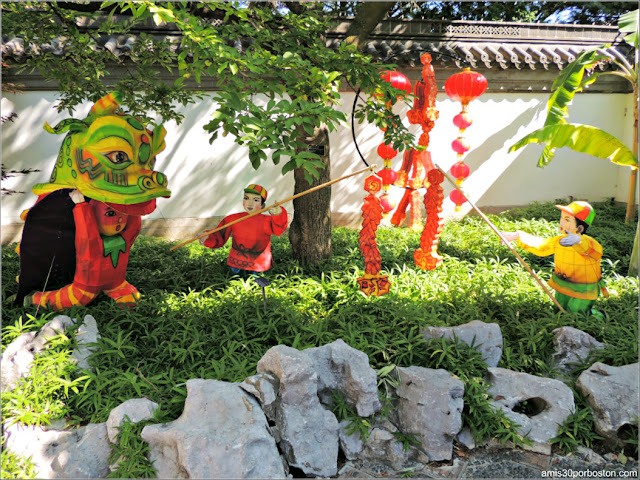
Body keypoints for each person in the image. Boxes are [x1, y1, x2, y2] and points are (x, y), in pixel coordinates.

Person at [25, 189, 144, 310]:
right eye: (110, 214)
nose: (119, 220)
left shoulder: (123, 240)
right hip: (86, 288)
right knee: (73, 299)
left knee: (131, 297)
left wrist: (134, 203)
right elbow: (87, 234)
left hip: (117, 283)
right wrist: (81, 206)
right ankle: (35, 299)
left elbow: (134, 227)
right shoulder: (94, 243)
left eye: (122, 214)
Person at [501, 201, 608, 315]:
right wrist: (517, 235)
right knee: (559, 310)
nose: (561, 223)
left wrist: (578, 241)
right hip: (563, 283)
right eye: (561, 218)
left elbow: (595, 252)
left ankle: (600, 316)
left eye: (567, 220)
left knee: (577, 313)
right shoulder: (559, 240)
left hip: (584, 288)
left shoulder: (588, 242)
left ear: (580, 228)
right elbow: (541, 246)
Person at [200, 184, 288, 277]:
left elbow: (278, 228)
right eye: (246, 198)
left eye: (256, 200)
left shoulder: (266, 220)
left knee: (257, 285)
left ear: (262, 204)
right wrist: (208, 237)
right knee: (235, 282)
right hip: (237, 262)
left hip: (258, 262)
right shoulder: (234, 218)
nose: (250, 203)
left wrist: (279, 214)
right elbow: (219, 234)